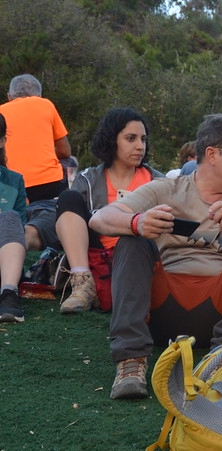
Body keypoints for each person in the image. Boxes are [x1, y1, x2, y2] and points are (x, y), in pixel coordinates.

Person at [89, 114, 222, 400]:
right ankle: (130, 359)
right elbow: (100, 219)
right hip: (160, 311)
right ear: (212, 154)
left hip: (218, 313)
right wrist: (137, 222)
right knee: (132, 240)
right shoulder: (165, 189)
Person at [56, 107, 163, 314]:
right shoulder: (88, 179)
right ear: (112, 140)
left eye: (143, 139)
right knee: (68, 198)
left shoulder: (158, 181)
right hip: (96, 251)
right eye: (131, 138)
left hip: (140, 254)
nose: (140, 146)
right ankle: (83, 284)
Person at [0, 74, 71, 253]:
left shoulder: (1, 111)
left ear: (9, 96)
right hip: (48, 186)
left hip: (11, 187)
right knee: (70, 162)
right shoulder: (45, 104)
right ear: (39, 95)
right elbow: (65, 151)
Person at [0, 112, 27, 323]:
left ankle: (9, 293)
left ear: (2, 141)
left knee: (10, 217)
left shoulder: (14, 181)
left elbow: (18, 228)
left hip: (3, 259)